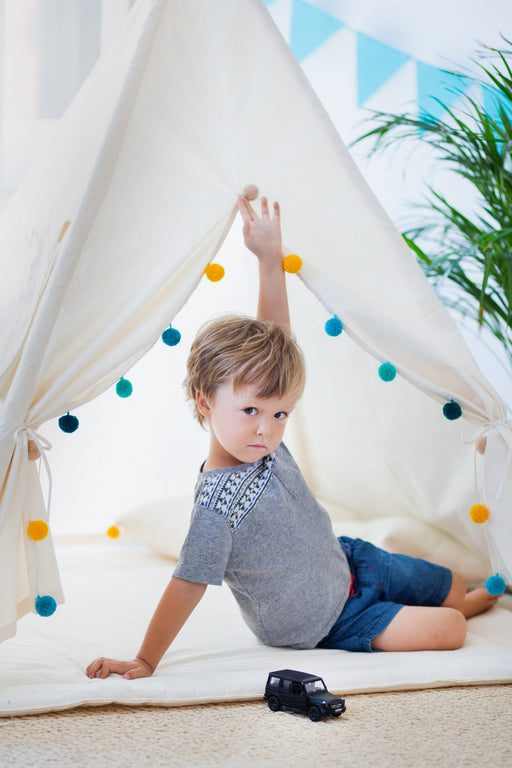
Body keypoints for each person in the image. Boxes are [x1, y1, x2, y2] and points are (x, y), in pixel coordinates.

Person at [86, 195, 498, 681]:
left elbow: (276, 336)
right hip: (327, 620)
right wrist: (145, 659)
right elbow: (187, 585)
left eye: (281, 412)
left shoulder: (259, 436)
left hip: (351, 563)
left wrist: (268, 259)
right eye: (251, 411)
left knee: (450, 583)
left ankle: (457, 596)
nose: (267, 428)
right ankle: (465, 607)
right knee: (450, 626)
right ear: (204, 402)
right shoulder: (216, 509)